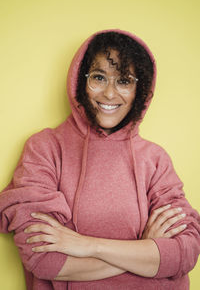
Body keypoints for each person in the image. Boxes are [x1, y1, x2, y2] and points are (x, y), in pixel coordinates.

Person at [0, 29, 199, 290]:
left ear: (139, 90)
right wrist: (145, 251)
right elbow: (43, 259)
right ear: (80, 80)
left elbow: (185, 253)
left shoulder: (155, 159)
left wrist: (85, 245)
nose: (109, 94)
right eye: (99, 77)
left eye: (124, 81)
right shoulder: (44, 148)